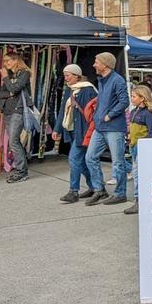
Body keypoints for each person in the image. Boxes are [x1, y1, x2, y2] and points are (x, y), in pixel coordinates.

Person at [84, 52, 130, 206]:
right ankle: (99, 189)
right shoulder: (102, 81)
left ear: (105, 64)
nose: (94, 64)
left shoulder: (117, 80)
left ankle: (120, 193)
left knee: (117, 162)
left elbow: (124, 101)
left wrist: (110, 115)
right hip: (100, 127)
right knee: (90, 157)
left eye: (96, 62)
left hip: (114, 127)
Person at [51, 64, 98, 202]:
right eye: (65, 75)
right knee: (80, 162)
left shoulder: (88, 90)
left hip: (83, 131)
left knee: (73, 159)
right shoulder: (69, 90)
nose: (65, 78)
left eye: (68, 75)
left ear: (77, 75)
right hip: (71, 130)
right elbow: (62, 110)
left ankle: (73, 191)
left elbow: (92, 111)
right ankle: (95, 187)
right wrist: (57, 129)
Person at [0, 51, 32, 183]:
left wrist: (5, 78)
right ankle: (21, 170)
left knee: (13, 141)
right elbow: (1, 93)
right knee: (14, 141)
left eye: (8, 61)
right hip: (8, 111)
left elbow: (15, 89)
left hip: (19, 110)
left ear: (16, 60)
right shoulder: (11, 74)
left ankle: (22, 172)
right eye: (4, 61)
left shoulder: (24, 73)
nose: (5, 64)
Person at [124, 86, 152, 215]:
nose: (131, 99)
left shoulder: (147, 114)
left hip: (141, 148)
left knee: (138, 175)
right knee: (136, 173)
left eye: (134, 96)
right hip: (133, 146)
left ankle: (139, 201)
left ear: (142, 98)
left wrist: (141, 142)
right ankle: (140, 200)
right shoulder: (133, 112)